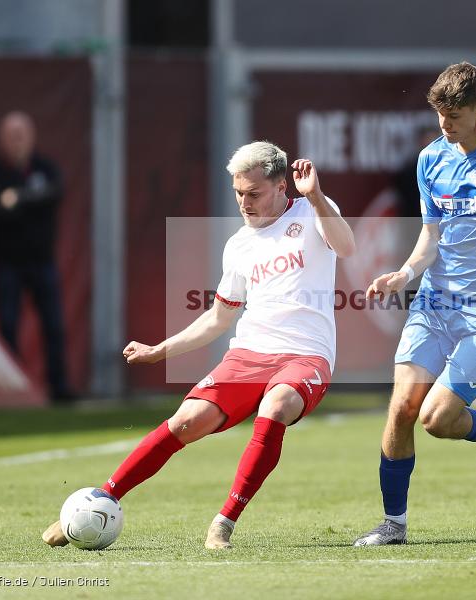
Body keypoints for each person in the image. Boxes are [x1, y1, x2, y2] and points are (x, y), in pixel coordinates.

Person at [41, 141, 355, 550]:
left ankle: (223, 523)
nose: (244, 202)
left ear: (282, 186)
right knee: (186, 421)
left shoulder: (313, 210)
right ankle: (101, 499)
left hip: (306, 355)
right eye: (239, 193)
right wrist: (160, 350)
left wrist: (314, 195)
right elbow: (218, 319)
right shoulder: (239, 245)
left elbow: (346, 247)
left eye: (254, 193)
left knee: (276, 407)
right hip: (248, 354)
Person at [354, 62, 476, 546]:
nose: (445, 127)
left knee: (438, 419)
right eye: (440, 117)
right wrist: (404, 273)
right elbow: (431, 235)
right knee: (402, 407)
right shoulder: (431, 159)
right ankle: (393, 525)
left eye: (455, 118)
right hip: (435, 303)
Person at [0, 111, 74, 401]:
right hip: (8, 264)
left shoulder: (46, 168)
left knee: (53, 325)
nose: (16, 141)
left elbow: (54, 194)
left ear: (31, 138)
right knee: (7, 325)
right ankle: (12, 390)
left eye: (21, 135)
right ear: (2, 140)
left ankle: (58, 388)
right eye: (11, 136)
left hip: (42, 261)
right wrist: (30, 199)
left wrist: (18, 199)